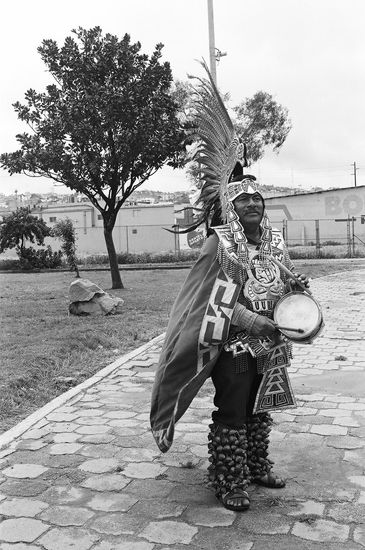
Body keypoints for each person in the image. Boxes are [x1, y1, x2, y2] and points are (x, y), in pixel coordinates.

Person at [150, 64, 311, 512]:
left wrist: (297, 293)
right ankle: (228, 479)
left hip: (272, 345)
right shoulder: (220, 243)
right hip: (236, 346)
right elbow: (211, 301)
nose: (254, 205)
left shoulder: (276, 239)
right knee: (233, 412)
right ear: (231, 206)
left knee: (263, 408)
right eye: (244, 200)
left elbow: (282, 281)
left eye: (258, 199)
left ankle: (257, 465)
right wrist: (253, 320)